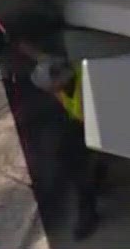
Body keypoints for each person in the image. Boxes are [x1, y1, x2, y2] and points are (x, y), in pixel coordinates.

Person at [18, 44, 104, 240]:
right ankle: (93, 175)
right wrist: (24, 47)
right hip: (83, 124)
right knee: (63, 151)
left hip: (96, 124)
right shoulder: (64, 75)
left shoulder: (87, 83)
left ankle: (88, 209)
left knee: (78, 169)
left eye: (54, 87)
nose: (53, 91)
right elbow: (42, 57)